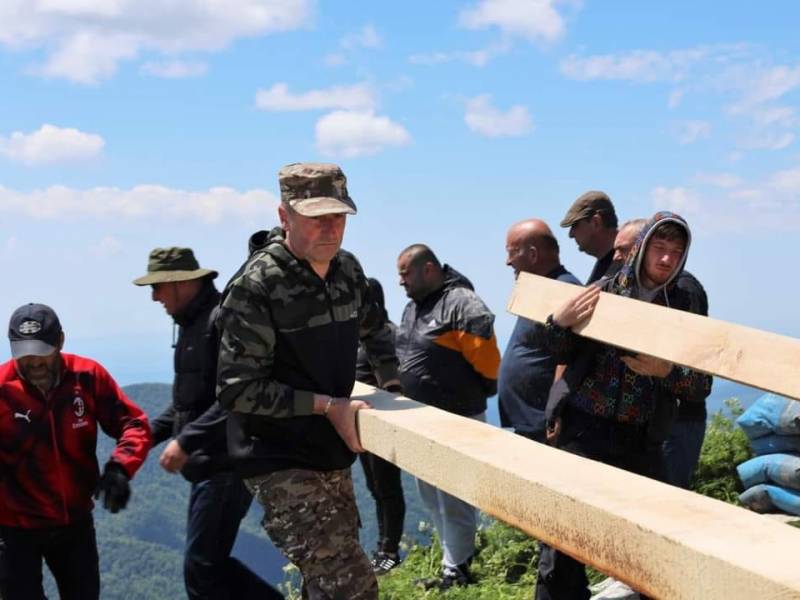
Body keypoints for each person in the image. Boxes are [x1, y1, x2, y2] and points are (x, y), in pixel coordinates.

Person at [216, 162, 400, 600]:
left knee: (327, 584)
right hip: (276, 455)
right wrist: (326, 406)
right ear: (284, 217)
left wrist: (391, 387)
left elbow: (376, 330)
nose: (330, 228)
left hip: (328, 451)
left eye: (338, 216)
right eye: (316, 217)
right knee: (351, 586)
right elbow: (237, 389)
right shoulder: (257, 286)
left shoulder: (348, 272)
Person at [536, 212, 712, 600]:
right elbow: (562, 352)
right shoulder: (604, 290)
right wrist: (559, 323)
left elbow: (700, 385)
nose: (666, 259)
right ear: (642, 248)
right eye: (660, 249)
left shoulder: (684, 303)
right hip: (584, 432)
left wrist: (666, 371)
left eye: (676, 252)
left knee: (652, 550)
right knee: (561, 545)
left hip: (641, 437)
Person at [133, 247, 282, 600]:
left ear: (181, 283)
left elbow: (235, 396)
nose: (154, 297)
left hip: (227, 465)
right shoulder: (189, 326)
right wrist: (143, 437)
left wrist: (185, 442)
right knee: (206, 566)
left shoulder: (219, 321)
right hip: (208, 466)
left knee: (201, 568)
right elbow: (187, 404)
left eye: (157, 287)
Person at [0, 303, 152, 600]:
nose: (33, 362)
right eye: (23, 353)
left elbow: (133, 423)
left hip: (75, 525)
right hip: (14, 529)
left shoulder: (87, 377)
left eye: (41, 350)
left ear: (60, 341)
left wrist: (121, 467)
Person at [395, 244, 501, 590]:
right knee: (431, 496)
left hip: (456, 418)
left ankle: (460, 570)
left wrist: (469, 391)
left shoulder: (460, 302)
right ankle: (450, 564)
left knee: (454, 497)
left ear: (428, 270)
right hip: (420, 420)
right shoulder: (414, 307)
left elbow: (488, 363)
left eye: (405, 273)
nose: (400, 281)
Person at [499, 219, 580, 442]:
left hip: (544, 424)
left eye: (511, 252)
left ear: (533, 255)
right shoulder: (538, 289)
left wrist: (555, 411)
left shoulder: (564, 291)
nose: (508, 262)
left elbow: (572, 358)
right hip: (529, 421)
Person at [355, 277, 406, 575]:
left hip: (383, 426)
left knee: (386, 488)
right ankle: (383, 549)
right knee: (377, 488)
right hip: (362, 426)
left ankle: (388, 552)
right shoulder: (364, 339)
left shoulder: (385, 337)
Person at [560, 191, 619, 284]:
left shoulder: (626, 266)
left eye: (575, 225)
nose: (570, 234)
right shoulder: (609, 263)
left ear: (596, 223)